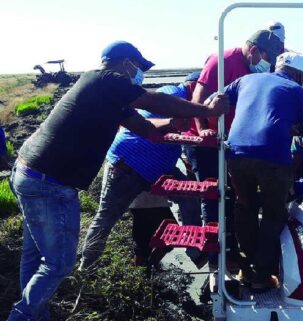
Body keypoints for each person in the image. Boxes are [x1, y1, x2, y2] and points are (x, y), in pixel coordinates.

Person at [7, 40, 228, 321]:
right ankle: (22, 315)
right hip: (49, 182)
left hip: (29, 173)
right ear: (125, 63)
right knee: (58, 263)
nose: (140, 74)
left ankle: (35, 314)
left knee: (35, 255)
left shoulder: (106, 94)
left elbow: (146, 127)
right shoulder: (107, 79)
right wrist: (207, 112)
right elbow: (153, 100)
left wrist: (172, 124)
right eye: (138, 67)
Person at [224, 52, 303, 291]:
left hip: (235, 155)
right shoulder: (297, 92)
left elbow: (216, 100)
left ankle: (246, 270)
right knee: (273, 213)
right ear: (299, 75)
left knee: (244, 206)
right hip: (273, 158)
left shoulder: (245, 80)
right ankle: (262, 276)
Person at [79, 85, 205, 271]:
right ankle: (86, 266)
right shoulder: (174, 95)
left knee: (189, 195)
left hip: (159, 170)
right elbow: (144, 121)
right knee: (106, 217)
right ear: (194, 86)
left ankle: (195, 250)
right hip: (127, 168)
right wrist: (171, 123)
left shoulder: (193, 107)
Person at [189, 29, 283, 227]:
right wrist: (202, 129)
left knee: (235, 192)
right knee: (213, 192)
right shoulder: (221, 61)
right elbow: (197, 98)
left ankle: (232, 245)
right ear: (254, 50)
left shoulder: (257, 69)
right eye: (268, 59)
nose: (270, 65)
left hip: (231, 139)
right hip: (205, 138)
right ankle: (216, 252)